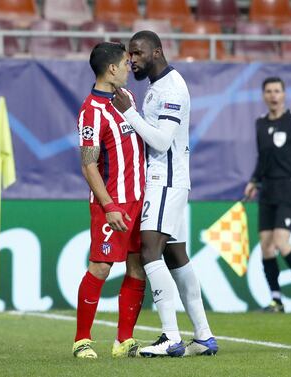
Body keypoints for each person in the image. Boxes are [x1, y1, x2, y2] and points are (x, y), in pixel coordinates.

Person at [112, 30, 218, 357]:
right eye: (130, 54)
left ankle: (170, 336)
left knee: (149, 252)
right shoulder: (157, 86)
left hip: (167, 180)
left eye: (138, 54)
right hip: (166, 179)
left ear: (157, 52)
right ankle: (203, 336)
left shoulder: (171, 88)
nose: (132, 60)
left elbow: (161, 141)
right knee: (175, 256)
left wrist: (128, 112)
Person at [73, 42, 146, 359]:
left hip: (139, 201)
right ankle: (82, 340)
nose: (130, 68)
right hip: (111, 204)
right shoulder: (91, 111)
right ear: (112, 69)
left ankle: (124, 340)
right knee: (101, 267)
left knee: (137, 266)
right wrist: (109, 206)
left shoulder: (127, 99)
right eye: (125, 64)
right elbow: (89, 164)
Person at [244, 77, 291, 313]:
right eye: (268, 91)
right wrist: (254, 180)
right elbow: (262, 158)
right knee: (266, 246)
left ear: (284, 94)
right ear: (263, 95)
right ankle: (276, 300)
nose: (273, 95)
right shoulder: (260, 124)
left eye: (277, 91)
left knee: (280, 241)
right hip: (267, 189)